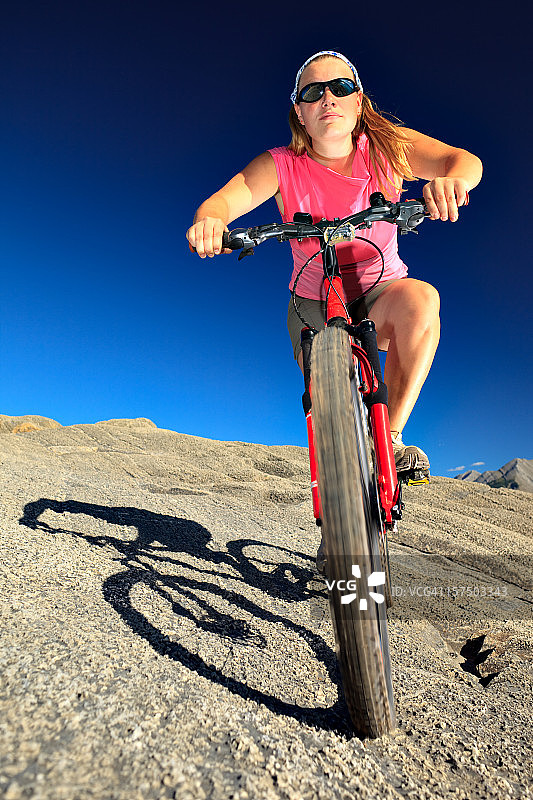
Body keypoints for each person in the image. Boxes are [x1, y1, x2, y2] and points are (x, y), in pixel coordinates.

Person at [186, 50, 482, 477]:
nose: (328, 98)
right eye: (313, 92)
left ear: (358, 103)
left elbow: (464, 161)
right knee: (334, 416)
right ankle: (339, 517)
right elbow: (223, 202)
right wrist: (209, 222)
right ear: (299, 114)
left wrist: (454, 180)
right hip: (313, 303)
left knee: (422, 299)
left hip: (382, 293)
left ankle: (391, 439)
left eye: (340, 88)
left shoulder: (386, 150)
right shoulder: (281, 165)